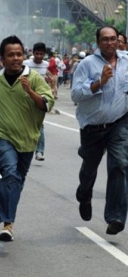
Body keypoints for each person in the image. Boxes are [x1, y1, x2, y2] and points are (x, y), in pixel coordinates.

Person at [0, 36, 54, 242]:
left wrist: (30, 91)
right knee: (10, 173)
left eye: (19, 54)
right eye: (10, 54)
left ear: (24, 55)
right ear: (2, 58)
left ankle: (9, 218)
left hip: (28, 139)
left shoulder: (34, 79)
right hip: (0, 134)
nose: (15, 58)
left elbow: (46, 105)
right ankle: (7, 223)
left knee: (17, 180)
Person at [71, 26, 128, 235]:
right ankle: (84, 194)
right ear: (98, 42)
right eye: (105, 39)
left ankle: (115, 217)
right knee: (89, 169)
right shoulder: (86, 65)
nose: (110, 43)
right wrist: (99, 82)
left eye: (113, 39)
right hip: (92, 128)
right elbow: (76, 94)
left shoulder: (126, 60)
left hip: (119, 123)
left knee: (120, 165)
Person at [23, 42, 53, 161]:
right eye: (37, 53)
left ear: (44, 54)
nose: (39, 56)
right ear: (33, 53)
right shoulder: (26, 64)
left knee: (39, 125)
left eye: (41, 54)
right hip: (26, 97)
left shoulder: (46, 65)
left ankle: (39, 151)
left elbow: (51, 77)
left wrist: (51, 85)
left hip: (40, 98)